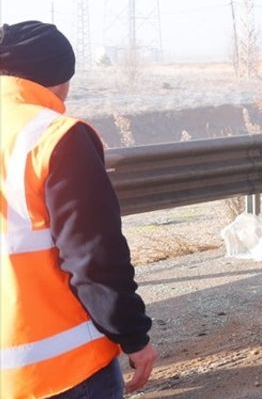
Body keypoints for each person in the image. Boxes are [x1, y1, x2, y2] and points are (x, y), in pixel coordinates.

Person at [0, 21, 156, 398]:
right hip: (60, 369)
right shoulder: (55, 136)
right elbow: (93, 257)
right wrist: (133, 336)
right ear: (58, 76)